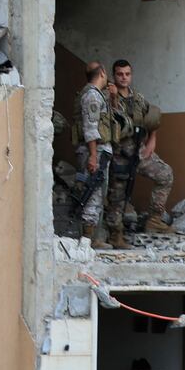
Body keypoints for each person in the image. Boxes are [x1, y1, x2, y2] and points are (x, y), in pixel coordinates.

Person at [108, 59, 174, 235]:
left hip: (138, 150)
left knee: (165, 174)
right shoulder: (106, 95)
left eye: (127, 74)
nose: (124, 78)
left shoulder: (138, 98)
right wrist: (113, 97)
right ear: (113, 75)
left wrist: (152, 139)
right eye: (120, 74)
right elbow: (111, 120)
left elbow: (151, 119)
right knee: (117, 196)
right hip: (118, 153)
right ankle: (114, 234)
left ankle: (154, 220)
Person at [72, 62, 118, 248]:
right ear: (103, 73)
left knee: (96, 193)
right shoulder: (92, 96)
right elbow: (90, 128)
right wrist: (92, 156)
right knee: (93, 193)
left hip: (98, 151)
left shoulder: (97, 95)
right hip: (95, 151)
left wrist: (113, 99)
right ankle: (89, 240)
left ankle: (92, 238)